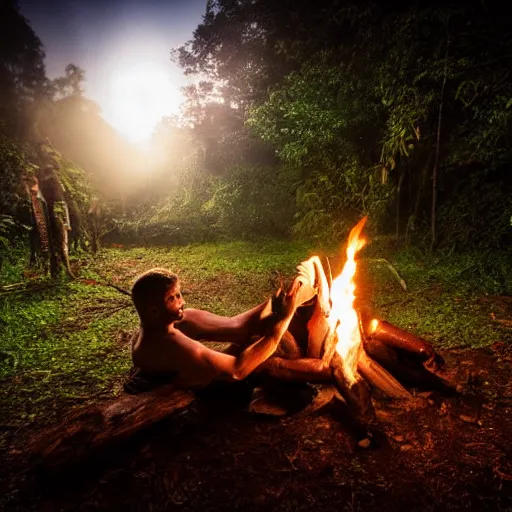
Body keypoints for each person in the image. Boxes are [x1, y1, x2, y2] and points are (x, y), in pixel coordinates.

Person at [130, 257, 333, 391]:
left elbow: (238, 325)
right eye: (172, 298)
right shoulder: (172, 345)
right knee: (269, 363)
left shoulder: (167, 322)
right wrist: (282, 322)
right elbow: (238, 370)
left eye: (179, 294)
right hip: (213, 386)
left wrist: (279, 299)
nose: (181, 301)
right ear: (153, 310)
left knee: (246, 335)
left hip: (193, 363)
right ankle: (330, 369)